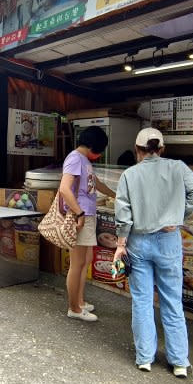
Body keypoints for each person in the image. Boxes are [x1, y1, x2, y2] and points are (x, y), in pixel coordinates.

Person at [113, 128, 193, 376]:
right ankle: (179, 362)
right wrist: (179, 214)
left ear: (137, 149)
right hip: (168, 240)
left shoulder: (130, 174)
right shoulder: (178, 167)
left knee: (142, 301)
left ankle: (144, 358)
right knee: (172, 301)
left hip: (138, 241)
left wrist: (121, 245)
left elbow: (123, 213)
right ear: (162, 149)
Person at [58, 126, 114, 322]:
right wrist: (79, 213)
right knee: (77, 264)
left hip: (87, 216)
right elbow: (65, 189)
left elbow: (95, 183)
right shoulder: (75, 158)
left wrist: (116, 195)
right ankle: (74, 307)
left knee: (84, 261)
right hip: (81, 217)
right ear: (94, 146)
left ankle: (79, 301)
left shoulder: (84, 161)